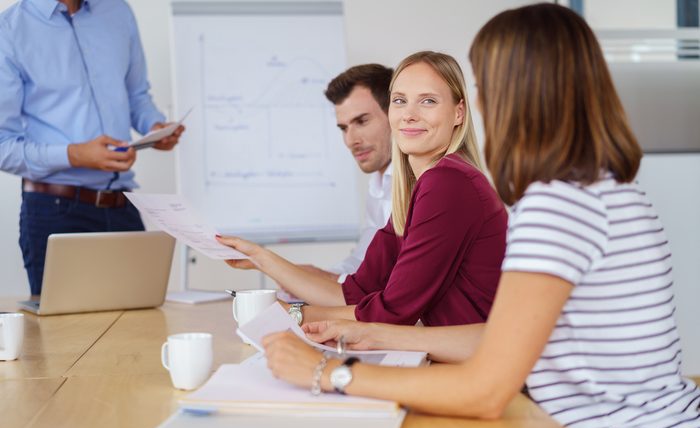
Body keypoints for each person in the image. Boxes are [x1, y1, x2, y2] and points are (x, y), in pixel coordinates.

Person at [261, 4, 700, 428]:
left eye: (484, 84)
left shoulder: (558, 207)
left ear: (511, 95)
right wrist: (373, 334)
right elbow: (501, 338)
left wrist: (330, 373)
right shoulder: (608, 190)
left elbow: (486, 389)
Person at [217, 51, 507, 326]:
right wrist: (259, 256)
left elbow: (393, 311)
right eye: (400, 101)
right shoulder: (418, 190)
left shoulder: (448, 183)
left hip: (473, 369)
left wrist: (294, 314)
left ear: (459, 113)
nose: (409, 114)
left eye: (428, 101)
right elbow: (355, 293)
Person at [0, 0, 184, 295]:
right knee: (67, 337)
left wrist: (154, 128)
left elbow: (137, 96)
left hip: (122, 205)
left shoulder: (117, 11)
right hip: (54, 211)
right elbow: (2, 145)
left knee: (138, 328)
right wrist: (75, 154)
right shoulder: (8, 31)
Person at [298, 64, 394, 284]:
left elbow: (385, 278)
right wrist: (316, 277)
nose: (351, 141)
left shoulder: (421, 181)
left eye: (361, 121)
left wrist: (325, 281)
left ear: (395, 115)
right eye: (343, 128)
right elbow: (362, 259)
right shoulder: (379, 181)